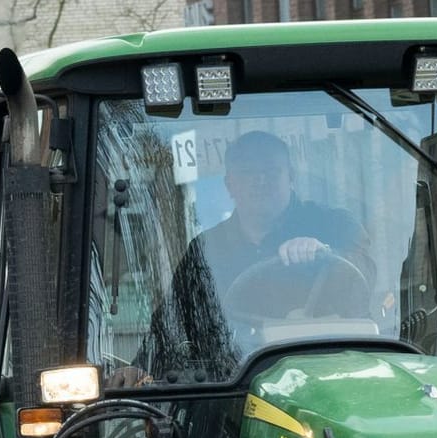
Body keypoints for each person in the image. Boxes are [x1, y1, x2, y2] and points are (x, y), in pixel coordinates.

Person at [143, 130, 375, 381]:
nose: (260, 180)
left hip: (328, 374)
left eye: (272, 171)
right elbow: (173, 317)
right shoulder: (207, 249)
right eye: (247, 173)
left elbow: (364, 277)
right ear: (230, 184)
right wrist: (142, 367)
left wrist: (325, 254)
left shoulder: (334, 226)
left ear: (291, 177)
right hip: (235, 384)